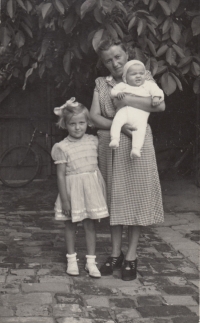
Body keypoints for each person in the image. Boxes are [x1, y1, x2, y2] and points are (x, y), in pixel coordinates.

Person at [90, 39, 165, 281]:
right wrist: (118, 126)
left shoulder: (140, 75)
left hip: (138, 144)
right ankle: (115, 254)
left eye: (118, 57)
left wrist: (126, 101)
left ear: (127, 54)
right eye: (108, 60)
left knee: (137, 198)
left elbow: (160, 105)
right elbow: (93, 117)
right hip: (111, 144)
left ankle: (131, 255)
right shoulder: (102, 84)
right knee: (115, 199)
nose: (114, 63)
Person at [51, 97, 109, 278]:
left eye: (82, 123)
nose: (77, 127)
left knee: (90, 224)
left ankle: (91, 262)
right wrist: (65, 200)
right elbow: (60, 175)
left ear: (88, 123)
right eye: (72, 124)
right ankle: (71, 260)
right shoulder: (62, 147)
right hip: (72, 190)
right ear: (65, 124)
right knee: (70, 224)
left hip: (90, 190)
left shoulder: (93, 141)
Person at [110, 60, 164, 158]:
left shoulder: (148, 85)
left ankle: (136, 149)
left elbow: (158, 91)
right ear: (125, 77)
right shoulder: (123, 85)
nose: (138, 76)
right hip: (125, 111)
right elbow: (113, 91)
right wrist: (117, 93)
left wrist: (156, 97)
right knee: (117, 121)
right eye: (133, 74)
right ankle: (114, 139)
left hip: (141, 114)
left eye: (141, 73)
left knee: (140, 130)